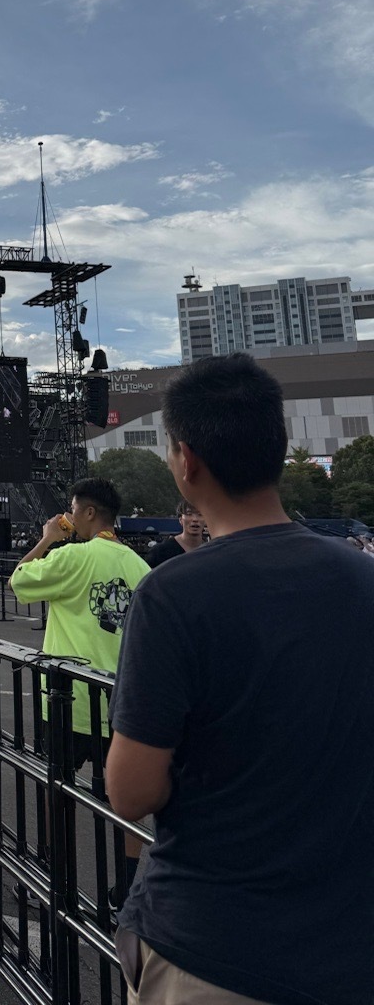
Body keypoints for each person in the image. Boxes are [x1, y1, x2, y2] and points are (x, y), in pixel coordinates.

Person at [106, 353, 374, 1005]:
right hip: (350, 943)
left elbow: (131, 792)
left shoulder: (173, 594)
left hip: (213, 947)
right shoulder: (363, 579)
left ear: (186, 461)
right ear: (278, 449)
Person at [10, 477, 150, 895]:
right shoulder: (140, 568)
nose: (68, 516)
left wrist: (47, 539)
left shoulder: (73, 556)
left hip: (67, 701)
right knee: (125, 801)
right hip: (121, 704)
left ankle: (55, 877)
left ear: (88, 513)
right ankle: (124, 889)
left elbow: (19, 581)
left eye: (72, 509)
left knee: (56, 790)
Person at [146, 500, 206, 568]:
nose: (195, 519)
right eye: (189, 514)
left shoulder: (210, 552)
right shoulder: (160, 552)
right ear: (180, 520)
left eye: (200, 514)